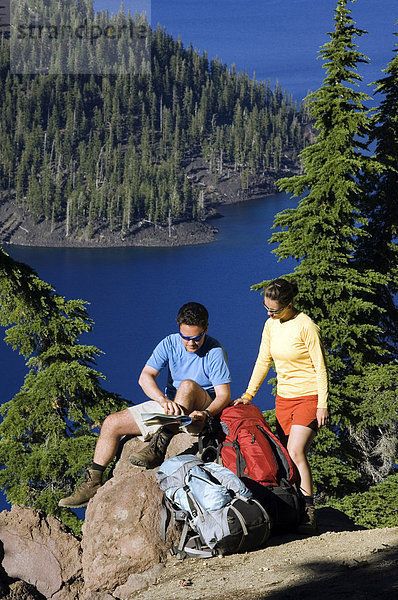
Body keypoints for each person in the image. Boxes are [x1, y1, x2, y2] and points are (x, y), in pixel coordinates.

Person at [58, 302, 231, 509]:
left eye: (196, 337)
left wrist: (206, 413)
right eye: (185, 337)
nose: (191, 343)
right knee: (112, 423)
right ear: (179, 329)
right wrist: (162, 400)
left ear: (206, 329)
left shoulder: (214, 351)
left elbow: (223, 395)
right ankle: (93, 481)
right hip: (172, 407)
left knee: (186, 386)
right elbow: (145, 377)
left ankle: (160, 444)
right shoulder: (169, 343)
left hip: (198, 412)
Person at [234, 279, 328, 535]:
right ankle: (293, 508)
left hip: (308, 397)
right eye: (266, 308)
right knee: (286, 458)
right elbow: (263, 360)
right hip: (283, 400)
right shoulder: (270, 325)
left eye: (274, 309)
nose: (269, 313)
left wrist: (323, 404)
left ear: (289, 304)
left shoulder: (305, 325)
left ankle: (310, 512)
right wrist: (248, 394)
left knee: (295, 451)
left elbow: (320, 366)